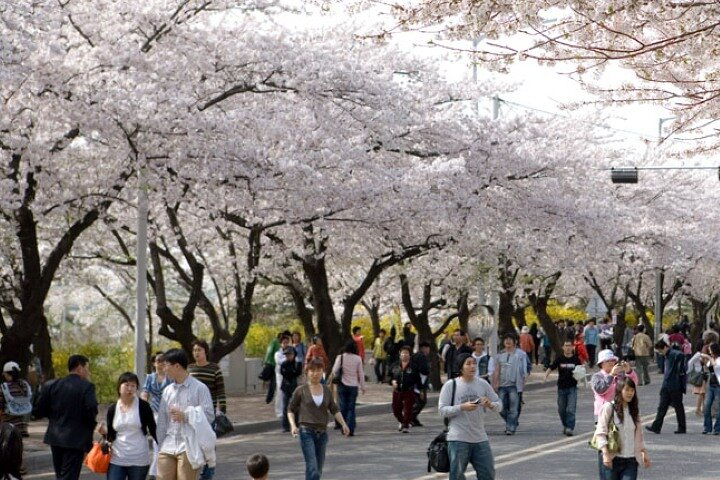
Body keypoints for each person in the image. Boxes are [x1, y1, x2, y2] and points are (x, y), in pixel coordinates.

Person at [33, 354, 98, 480]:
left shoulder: (52, 385)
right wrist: (90, 428)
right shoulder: (87, 387)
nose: (88, 372)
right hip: (76, 438)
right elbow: (91, 409)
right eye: (87, 368)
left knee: (61, 474)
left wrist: (53, 417)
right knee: (69, 476)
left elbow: (39, 410)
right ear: (80, 367)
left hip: (55, 438)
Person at [439, 352, 501, 480]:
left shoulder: (482, 384)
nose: (472, 366)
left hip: (480, 438)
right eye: (468, 364)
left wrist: (490, 405)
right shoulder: (451, 385)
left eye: (474, 363)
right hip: (458, 439)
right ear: (460, 367)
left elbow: (499, 405)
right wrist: (462, 407)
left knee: (488, 474)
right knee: (457, 476)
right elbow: (442, 410)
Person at [156, 348, 215, 480]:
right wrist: (161, 445)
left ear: (177, 366)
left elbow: (210, 415)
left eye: (166, 365)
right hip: (168, 446)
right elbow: (162, 421)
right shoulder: (167, 391)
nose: (164, 369)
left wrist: (186, 416)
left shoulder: (199, 388)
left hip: (188, 446)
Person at [287, 358, 350, 480]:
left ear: (323, 372)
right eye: (312, 370)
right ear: (307, 372)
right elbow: (290, 409)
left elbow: (334, 409)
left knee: (318, 469)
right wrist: (293, 426)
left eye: (319, 370)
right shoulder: (301, 390)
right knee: (312, 467)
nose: (315, 373)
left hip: (322, 434)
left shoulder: (326, 390)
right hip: (306, 432)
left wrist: (343, 424)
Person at [99, 372, 157, 480]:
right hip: (117, 458)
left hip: (139, 459)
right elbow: (111, 435)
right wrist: (104, 434)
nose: (130, 389)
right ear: (119, 387)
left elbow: (154, 430)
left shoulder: (143, 407)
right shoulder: (112, 409)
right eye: (126, 385)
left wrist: (164, 449)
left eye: (133, 386)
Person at [595, 377, 651, 480]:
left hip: (631, 460)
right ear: (620, 390)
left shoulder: (634, 411)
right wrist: (605, 454)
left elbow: (639, 436)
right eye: (627, 390)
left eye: (632, 390)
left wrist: (644, 453)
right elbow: (600, 432)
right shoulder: (609, 408)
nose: (630, 393)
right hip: (612, 458)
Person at [188, 340, 226, 480]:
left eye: (199, 350)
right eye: (194, 350)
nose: (196, 352)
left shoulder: (214, 369)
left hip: (208, 415)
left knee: (208, 444)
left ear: (205, 351)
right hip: (192, 415)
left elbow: (221, 392)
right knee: (193, 445)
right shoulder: (189, 369)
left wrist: (222, 411)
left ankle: (208, 474)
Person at [489, 332, 528, 435]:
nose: (508, 341)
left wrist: (523, 383)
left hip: (514, 386)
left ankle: (510, 428)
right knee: (500, 408)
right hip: (502, 385)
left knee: (513, 408)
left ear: (515, 342)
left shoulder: (521, 354)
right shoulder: (500, 355)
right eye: (506, 339)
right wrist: (494, 384)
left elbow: (524, 371)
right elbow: (496, 370)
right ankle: (512, 421)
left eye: (510, 339)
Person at [645, 339, 687, 434]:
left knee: (678, 407)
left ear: (665, 347)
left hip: (675, 386)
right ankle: (656, 427)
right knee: (662, 407)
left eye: (660, 351)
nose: (660, 353)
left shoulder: (673, 354)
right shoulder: (667, 356)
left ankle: (682, 427)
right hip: (667, 385)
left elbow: (681, 355)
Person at [141, 352, 172, 480]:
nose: (161, 363)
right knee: (157, 441)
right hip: (154, 412)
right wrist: (143, 403)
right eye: (158, 360)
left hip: (169, 413)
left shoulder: (170, 377)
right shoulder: (150, 377)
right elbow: (144, 392)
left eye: (164, 360)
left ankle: (157, 471)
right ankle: (155, 472)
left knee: (164, 442)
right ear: (154, 363)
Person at [544, 340, 582, 436]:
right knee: (561, 409)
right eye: (566, 346)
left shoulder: (576, 360)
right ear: (563, 347)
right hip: (561, 388)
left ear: (572, 347)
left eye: (570, 346)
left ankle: (570, 428)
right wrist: (545, 376)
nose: (568, 347)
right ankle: (565, 425)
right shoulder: (560, 359)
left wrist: (581, 381)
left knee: (571, 409)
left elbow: (581, 371)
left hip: (572, 388)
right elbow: (551, 367)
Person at [591, 349, 638, 423]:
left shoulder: (620, 375)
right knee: (603, 434)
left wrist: (629, 371)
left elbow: (632, 385)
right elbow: (600, 390)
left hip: (619, 411)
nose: (611, 363)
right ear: (602, 364)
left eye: (613, 360)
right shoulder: (597, 376)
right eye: (608, 361)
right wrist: (611, 375)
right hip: (602, 413)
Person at [331, 341, 365, 436]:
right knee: (351, 408)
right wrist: (363, 387)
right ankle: (351, 428)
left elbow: (334, 370)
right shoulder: (358, 358)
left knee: (343, 407)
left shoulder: (340, 357)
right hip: (353, 386)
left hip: (342, 385)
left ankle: (344, 427)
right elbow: (361, 373)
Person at [389, 346, 420, 433]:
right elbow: (389, 376)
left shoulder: (413, 366)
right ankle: (402, 421)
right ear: (400, 354)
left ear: (409, 355)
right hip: (397, 390)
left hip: (409, 390)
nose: (404, 355)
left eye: (406, 353)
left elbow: (418, 379)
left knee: (408, 409)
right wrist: (392, 382)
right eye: (403, 353)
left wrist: (420, 390)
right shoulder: (395, 365)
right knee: (396, 409)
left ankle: (405, 425)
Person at [0, 362, 32, 437]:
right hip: (23, 426)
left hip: (9, 426)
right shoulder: (25, 385)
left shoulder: (4, 387)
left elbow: (0, 405)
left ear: (7, 374)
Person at [279, 347, 302, 433]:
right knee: (285, 407)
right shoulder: (284, 364)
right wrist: (291, 372)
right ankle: (285, 426)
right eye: (286, 355)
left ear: (294, 354)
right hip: (285, 387)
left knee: (295, 406)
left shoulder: (298, 363)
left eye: (290, 354)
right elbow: (283, 373)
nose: (288, 356)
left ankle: (296, 424)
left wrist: (291, 373)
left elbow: (297, 373)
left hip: (295, 387)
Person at [699, 343, 720, 434]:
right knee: (707, 406)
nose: (709, 352)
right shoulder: (711, 359)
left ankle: (717, 428)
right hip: (711, 385)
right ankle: (707, 427)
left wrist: (708, 357)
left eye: (710, 350)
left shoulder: (718, 359)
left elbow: (715, 365)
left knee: (719, 408)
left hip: (718, 386)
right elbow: (708, 368)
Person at [410, 341, 432, 426]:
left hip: (414, 381)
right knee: (421, 401)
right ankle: (411, 416)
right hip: (420, 382)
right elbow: (424, 370)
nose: (428, 350)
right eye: (427, 348)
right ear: (425, 348)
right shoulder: (422, 357)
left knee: (418, 400)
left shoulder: (415, 356)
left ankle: (413, 417)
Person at [687, 348, 707, 417]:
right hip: (699, 376)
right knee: (701, 393)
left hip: (702, 375)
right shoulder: (698, 354)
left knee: (703, 393)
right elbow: (690, 362)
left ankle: (703, 409)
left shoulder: (701, 354)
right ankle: (697, 410)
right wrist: (691, 371)